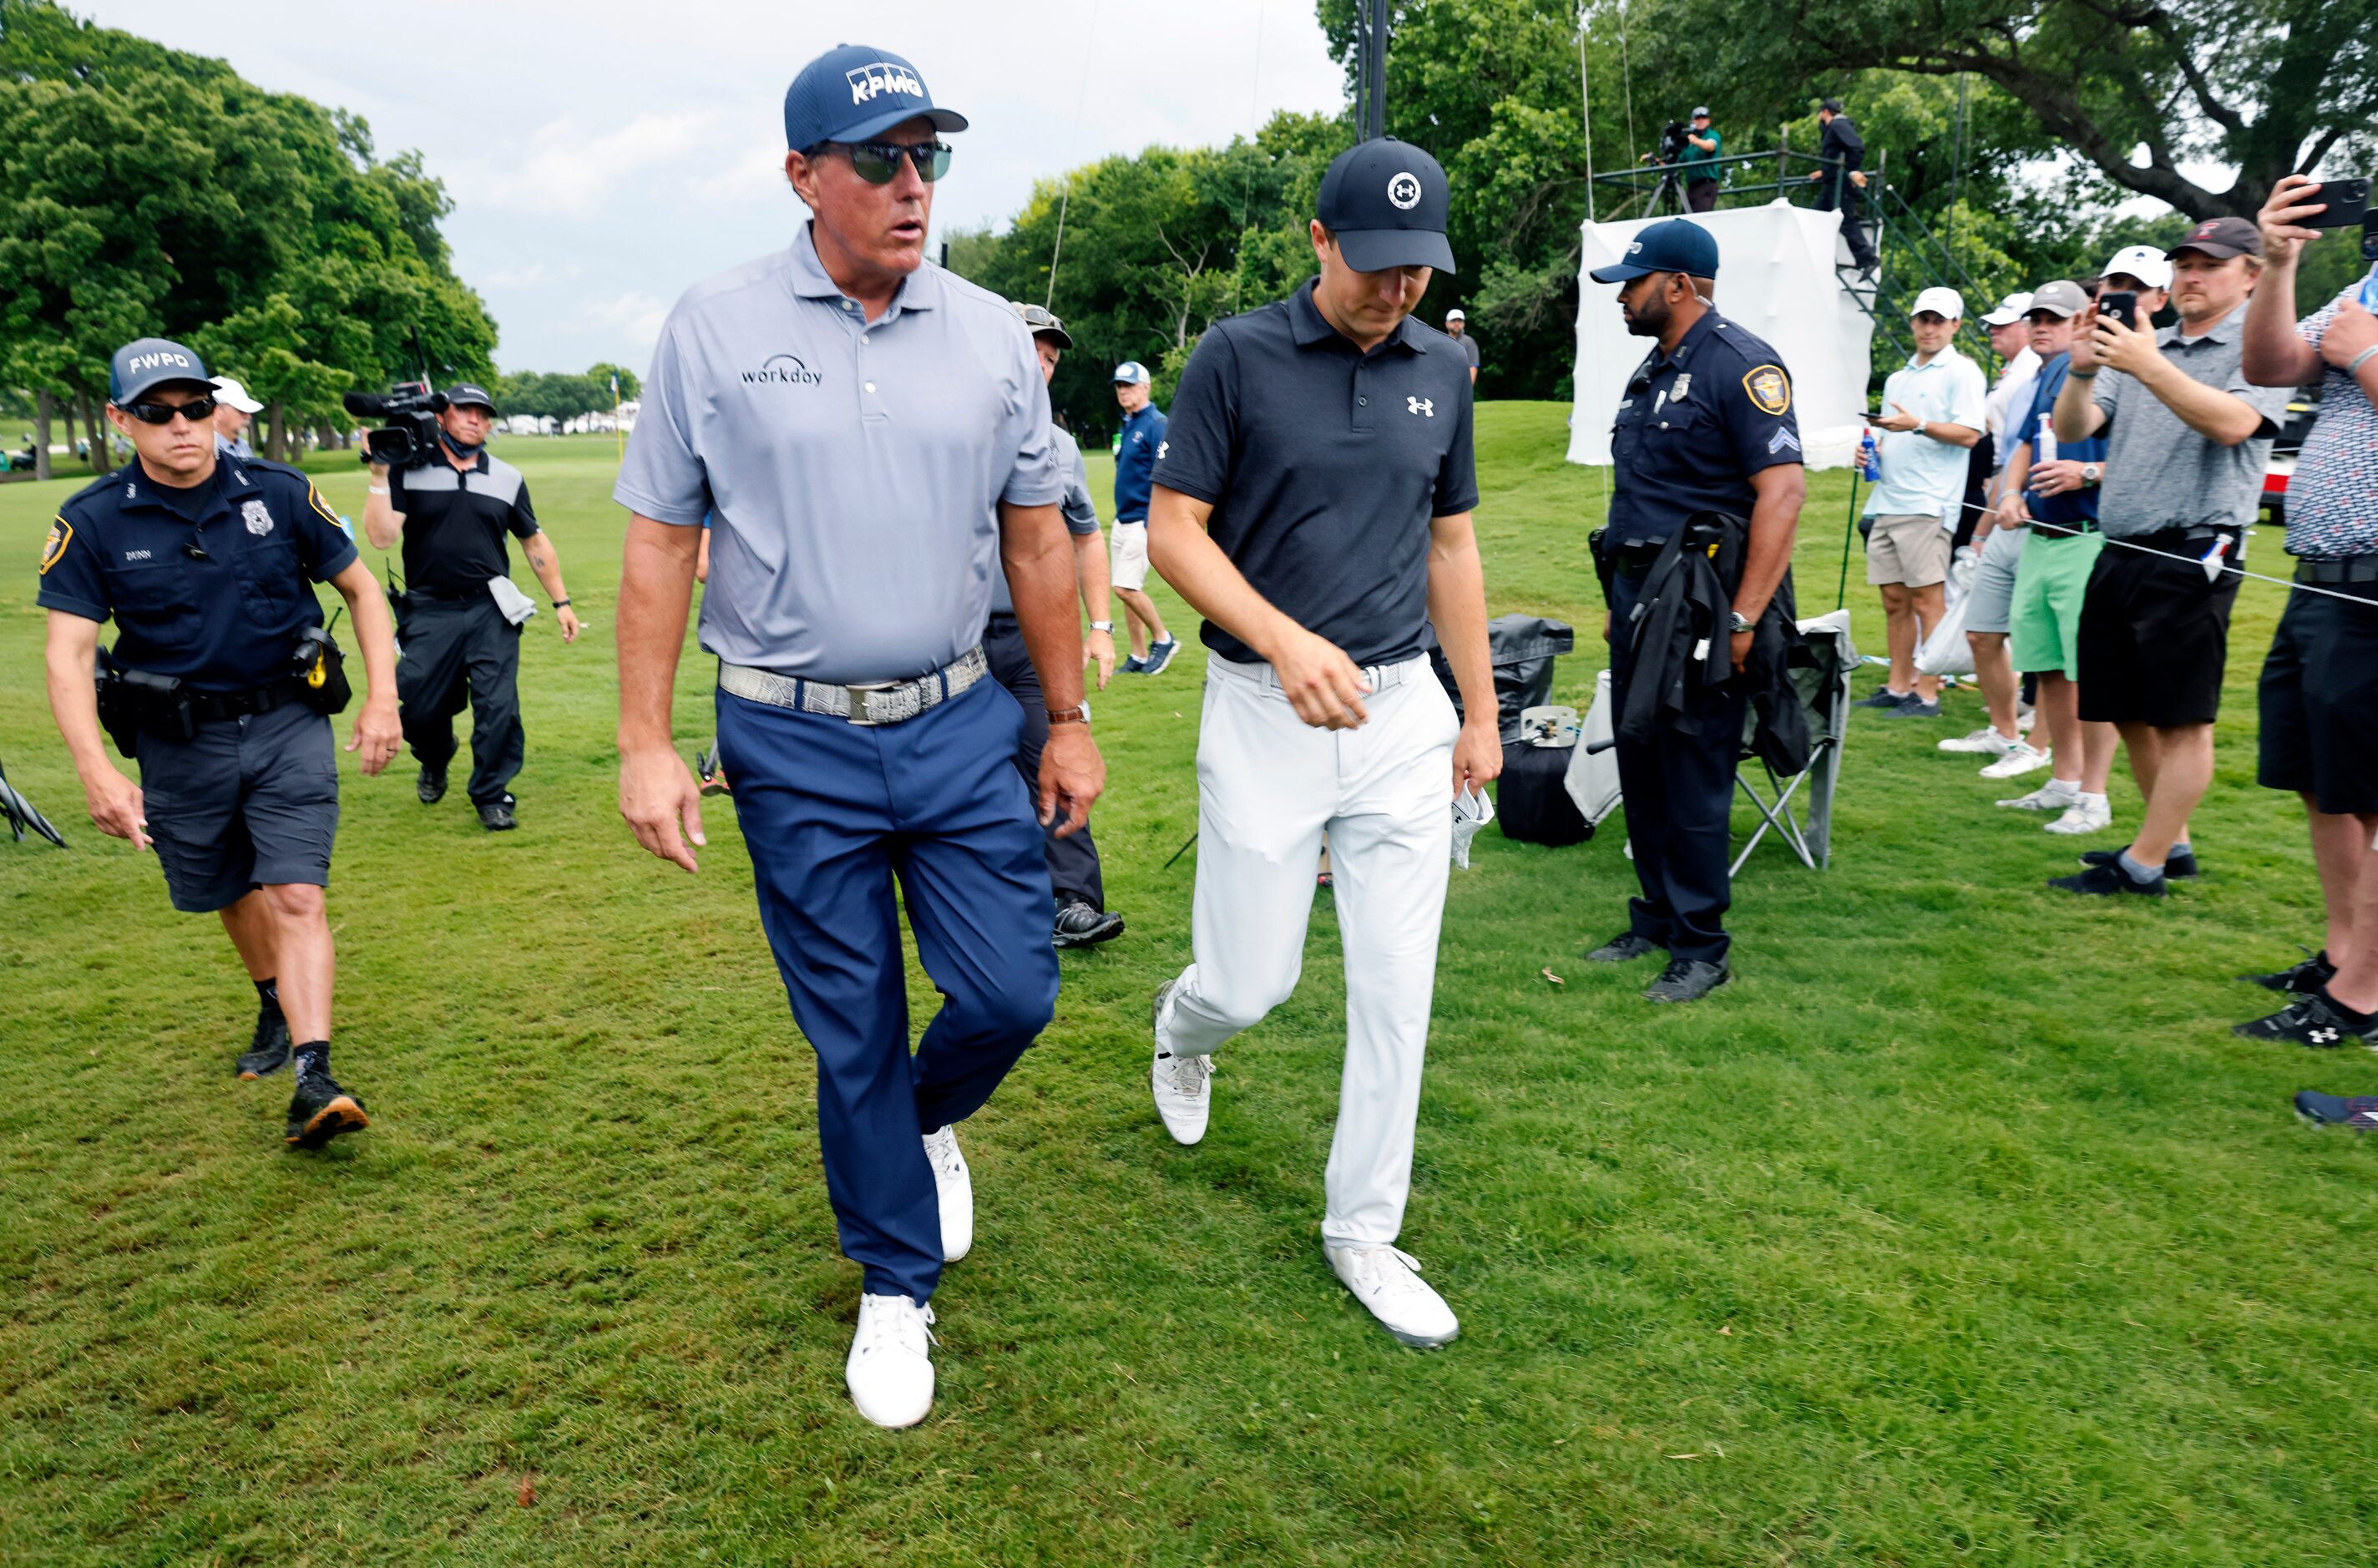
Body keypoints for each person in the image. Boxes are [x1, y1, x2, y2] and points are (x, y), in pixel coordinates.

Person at [611, 43, 1102, 1429]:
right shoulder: (711, 327)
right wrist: (646, 741)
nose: (910, 185)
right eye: (878, 159)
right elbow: (659, 540)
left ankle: (918, 1121)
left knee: (1012, 992)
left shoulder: (992, 329)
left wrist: (1062, 718)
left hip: (956, 720)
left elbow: (1033, 536)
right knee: (852, 1026)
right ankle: (895, 1287)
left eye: (926, 157)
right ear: (801, 175)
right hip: (788, 737)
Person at [1144, 136, 1500, 1348]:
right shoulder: (1236, 356)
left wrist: (1482, 713)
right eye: (1376, 265)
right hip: (1263, 707)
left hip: (1404, 714)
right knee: (1251, 981)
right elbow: (1174, 535)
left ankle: (1364, 1228)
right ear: (1318, 242)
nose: (1397, 288)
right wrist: (1284, 641)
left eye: (1417, 269)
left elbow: (1452, 547)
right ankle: (1182, 1030)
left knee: (1398, 993)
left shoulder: (1442, 367)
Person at [38, 338, 400, 1148]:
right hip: (178, 740)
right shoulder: (92, 520)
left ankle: (315, 1073)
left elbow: (362, 589)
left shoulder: (278, 490)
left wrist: (383, 699)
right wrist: (95, 770)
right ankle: (273, 999)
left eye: (196, 407)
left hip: (286, 723)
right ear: (120, 420)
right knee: (229, 886)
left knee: (297, 892)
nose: (183, 427)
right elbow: (67, 654)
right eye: (157, 413)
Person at [1583, 217, 1805, 1002]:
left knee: (1696, 767)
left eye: (1634, 283)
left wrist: (1744, 620)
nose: (1623, 297)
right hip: (1640, 595)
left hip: (1706, 600)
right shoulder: (1653, 371)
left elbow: (1783, 492)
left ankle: (1703, 946)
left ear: (1678, 285)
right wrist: (1617, 601)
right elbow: (1639, 494)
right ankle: (1655, 920)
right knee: (1641, 759)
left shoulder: (1741, 365)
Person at [2047, 216, 2290, 896]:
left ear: (2251, 273)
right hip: (2122, 543)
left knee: (2182, 716)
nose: (2190, 276)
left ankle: (2145, 863)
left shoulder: (2260, 347)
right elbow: (2074, 429)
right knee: (2125, 706)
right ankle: (2169, 843)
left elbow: (2234, 423)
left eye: (2208, 264)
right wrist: (2083, 369)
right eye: (2184, 263)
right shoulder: (2146, 342)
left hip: (2197, 543)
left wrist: (2143, 361)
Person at [2234, 175, 2378, 1056]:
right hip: (2323, 575)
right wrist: (2280, 264)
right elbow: (2270, 365)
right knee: (2322, 777)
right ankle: (2342, 955)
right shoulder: (2363, 291)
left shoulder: (2362, 320)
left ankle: (2362, 998)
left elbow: (2341, 357)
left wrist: (2361, 357)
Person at [362, 384, 582, 831]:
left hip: (490, 608)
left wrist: (562, 602)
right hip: (427, 610)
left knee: (498, 706)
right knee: (420, 707)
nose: (475, 419)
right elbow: (382, 537)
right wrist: (380, 476)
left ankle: (491, 794)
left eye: (483, 414)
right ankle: (436, 754)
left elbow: (533, 541)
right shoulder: (410, 470)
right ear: (442, 416)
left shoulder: (507, 477)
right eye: (465, 411)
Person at [1003, 300, 1125, 948]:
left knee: (1056, 756)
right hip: (949, 643)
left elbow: (1086, 537)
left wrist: (1101, 624)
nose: (1042, 367)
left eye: (1050, 359)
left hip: (1031, 641)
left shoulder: (1061, 448)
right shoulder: (951, 431)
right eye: (1031, 352)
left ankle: (1071, 901)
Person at [1991, 282, 2120, 834]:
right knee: (2044, 665)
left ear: (2081, 322)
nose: (2042, 325)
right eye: (2036, 317)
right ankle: (2064, 779)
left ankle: (2095, 794)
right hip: (2041, 534)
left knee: (2089, 671)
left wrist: (2086, 472)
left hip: (2090, 534)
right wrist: (2010, 494)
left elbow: (2142, 458)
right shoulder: (2045, 373)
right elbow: (2023, 443)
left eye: (2055, 318)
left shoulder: (2111, 370)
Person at [1852, 286, 1986, 719]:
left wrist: (1920, 425)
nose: (1929, 328)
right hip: (1888, 499)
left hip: (1930, 503)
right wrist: (1870, 454)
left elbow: (1969, 434)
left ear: (1955, 326)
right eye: (1923, 319)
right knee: (1894, 598)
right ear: (1912, 322)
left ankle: (1927, 693)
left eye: (1938, 321)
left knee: (1929, 601)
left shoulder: (1963, 373)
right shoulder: (1899, 377)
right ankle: (1897, 685)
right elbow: (1894, 436)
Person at [1940, 290, 2045, 766]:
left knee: (2039, 635)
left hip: (2042, 511)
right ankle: (2008, 730)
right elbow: (2010, 451)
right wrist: (1986, 521)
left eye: (2009, 323)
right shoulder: (2024, 376)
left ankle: (2039, 743)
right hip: (2005, 501)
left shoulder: (2033, 372)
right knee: (1984, 630)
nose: (1996, 331)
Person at [1109, 361, 1179, 674]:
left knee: (1125, 588)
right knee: (1125, 588)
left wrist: (1155, 522)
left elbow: (1163, 474)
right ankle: (1138, 655)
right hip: (1122, 520)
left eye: (1130, 385)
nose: (1123, 391)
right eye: (1120, 386)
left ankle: (1163, 639)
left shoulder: (1156, 423)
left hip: (1142, 520)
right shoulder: (1128, 423)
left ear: (1146, 387)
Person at [1809, 99, 1876, 278]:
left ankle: (1868, 259)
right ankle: (1821, 259)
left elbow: (1856, 147)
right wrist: (1824, 172)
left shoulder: (1838, 125)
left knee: (1845, 221)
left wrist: (1853, 170)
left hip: (1841, 183)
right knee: (1816, 218)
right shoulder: (1835, 128)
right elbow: (1837, 156)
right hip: (1832, 182)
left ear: (1825, 112)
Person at [209, 376, 262, 459]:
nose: (248, 416)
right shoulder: (207, 450)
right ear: (217, 411)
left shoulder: (243, 446)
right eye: (241, 410)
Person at [1681, 107, 1722, 214]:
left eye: (1703, 118)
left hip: (1706, 186)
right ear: (1692, 121)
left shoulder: (1712, 135)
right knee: (1684, 220)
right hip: (1691, 188)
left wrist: (1695, 140)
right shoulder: (1688, 145)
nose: (1700, 120)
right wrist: (1656, 161)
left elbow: (1710, 146)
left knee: (1700, 219)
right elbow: (1677, 163)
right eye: (1697, 118)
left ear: (1708, 121)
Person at [1445, 308, 1480, 383]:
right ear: (1447, 323)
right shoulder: (1442, 341)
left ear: (1463, 324)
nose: (1457, 323)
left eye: (1459, 321)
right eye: (1453, 320)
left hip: (1461, 384)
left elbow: (1473, 367)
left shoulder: (1469, 342)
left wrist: (1468, 390)